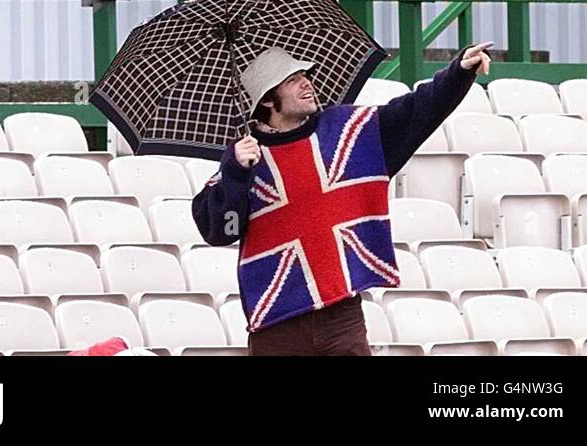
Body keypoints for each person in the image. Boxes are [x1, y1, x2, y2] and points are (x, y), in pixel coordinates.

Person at [192, 41, 492, 357]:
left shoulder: (347, 133)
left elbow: (415, 111)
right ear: (268, 100)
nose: (306, 82)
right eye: (292, 80)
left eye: (304, 75)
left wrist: (457, 73)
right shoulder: (244, 159)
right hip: (276, 323)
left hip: (342, 315)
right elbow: (219, 231)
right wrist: (235, 172)